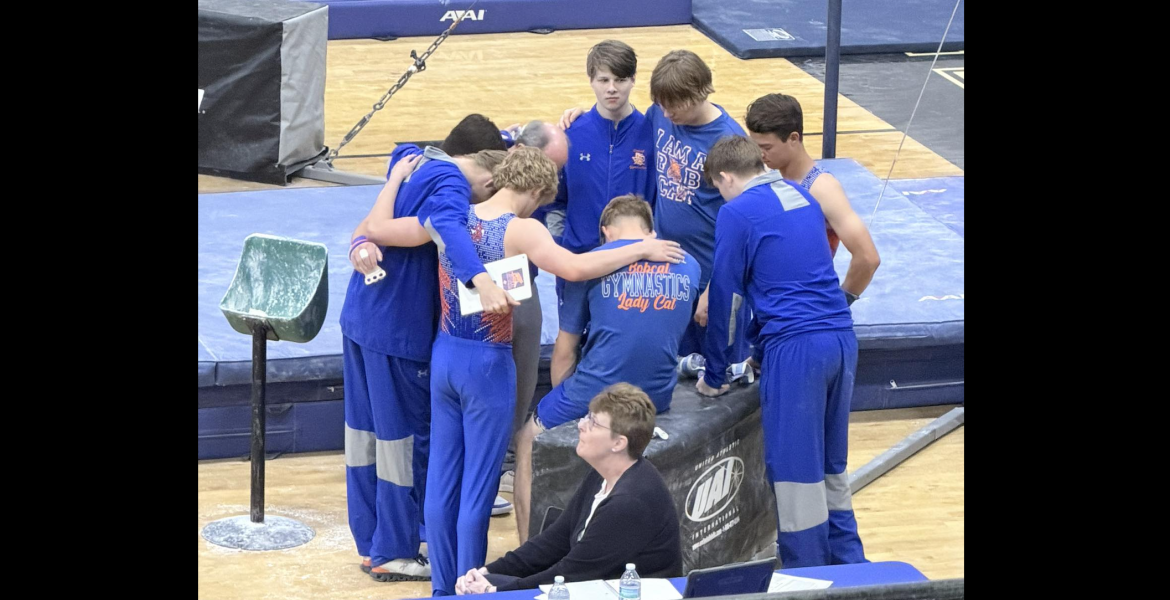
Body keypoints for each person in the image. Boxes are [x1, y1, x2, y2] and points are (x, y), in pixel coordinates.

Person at [362, 147, 684, 596]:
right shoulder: (522, 228)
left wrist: (394, 179)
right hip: (488, 363)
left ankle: (440, 588)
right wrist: (642, 247)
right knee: (477, 487)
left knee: (441, 481)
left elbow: (376, 229)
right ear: (534, 190)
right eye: (540, 200)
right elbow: (574, 267)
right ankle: (469, 586)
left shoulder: (451, 216)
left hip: (446, 357)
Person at [340, 114, 509, 582]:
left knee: (365, 438)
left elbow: (372, 223)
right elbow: (452, 231)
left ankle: (372, 541)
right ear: (485, 168)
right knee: (402, 444)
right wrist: (481, 279)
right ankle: (393, 548)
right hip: (398, 331)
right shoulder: (453, 185)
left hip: (360, 318)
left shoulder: (409, 159)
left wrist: (359, 239)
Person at [697, 135, 873, 568]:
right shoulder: (801, 194)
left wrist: (716, 373)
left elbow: (727, 297)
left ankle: (806, 578)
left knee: (796, 477)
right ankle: (855, 573)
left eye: (718, 188)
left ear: (726, 177)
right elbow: (794, 274)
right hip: (840, 340)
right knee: (831, 469)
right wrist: (758, 351)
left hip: (798, 351)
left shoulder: (736, 212)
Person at [511, 194, 698, 543]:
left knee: (527, 440)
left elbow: (565, 352)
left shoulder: (590, 264)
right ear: (650, 230)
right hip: (656, 394)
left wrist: (563, 409)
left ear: (606, 233)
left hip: (596, 390)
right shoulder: (689, 263)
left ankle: (526, 547)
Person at [560, 49, 753, 383]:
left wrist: (718, 287)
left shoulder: (729, 142)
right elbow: (617, 123)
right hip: (669, 272)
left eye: (673, 106)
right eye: (660, 104)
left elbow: (745, 225)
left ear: (700, 94)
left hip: (713, 277)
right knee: (675, 366)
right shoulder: (661, 115)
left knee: (719, 371)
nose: (665, 112)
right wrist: (580, 115)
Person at [454, 383, 683, 594]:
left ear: (618, 443)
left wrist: (495, 590)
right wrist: (487, 572)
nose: (581, 425)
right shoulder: (601, 476)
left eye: (593, 422)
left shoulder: (630, 503)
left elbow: (572, 574)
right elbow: (554, 541)